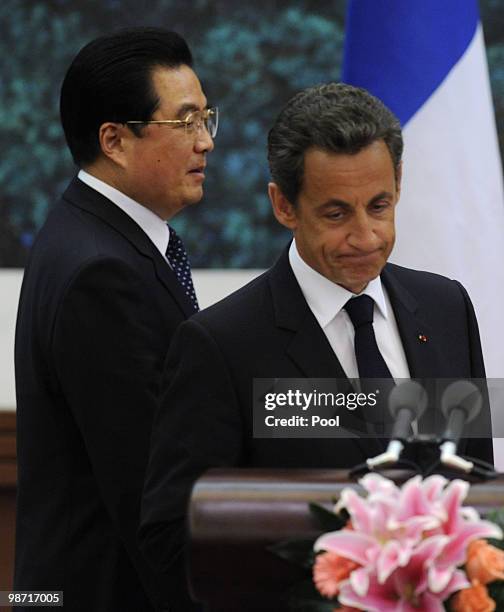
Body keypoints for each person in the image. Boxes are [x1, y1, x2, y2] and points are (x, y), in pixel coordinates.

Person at [139, 83, 493, 608]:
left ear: (398, 184)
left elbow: (478, 494)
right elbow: (174, 543)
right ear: (284, 205)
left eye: (379, 205)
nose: (366, 235)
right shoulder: (221, 345)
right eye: (336, 214)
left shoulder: (445, 308)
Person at [14, 27, 216, 612]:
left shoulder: (89, 233)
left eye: (207, 119)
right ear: (115, 140)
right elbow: (148, 489)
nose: (205, 143)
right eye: (185, 123)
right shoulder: (102, 272)